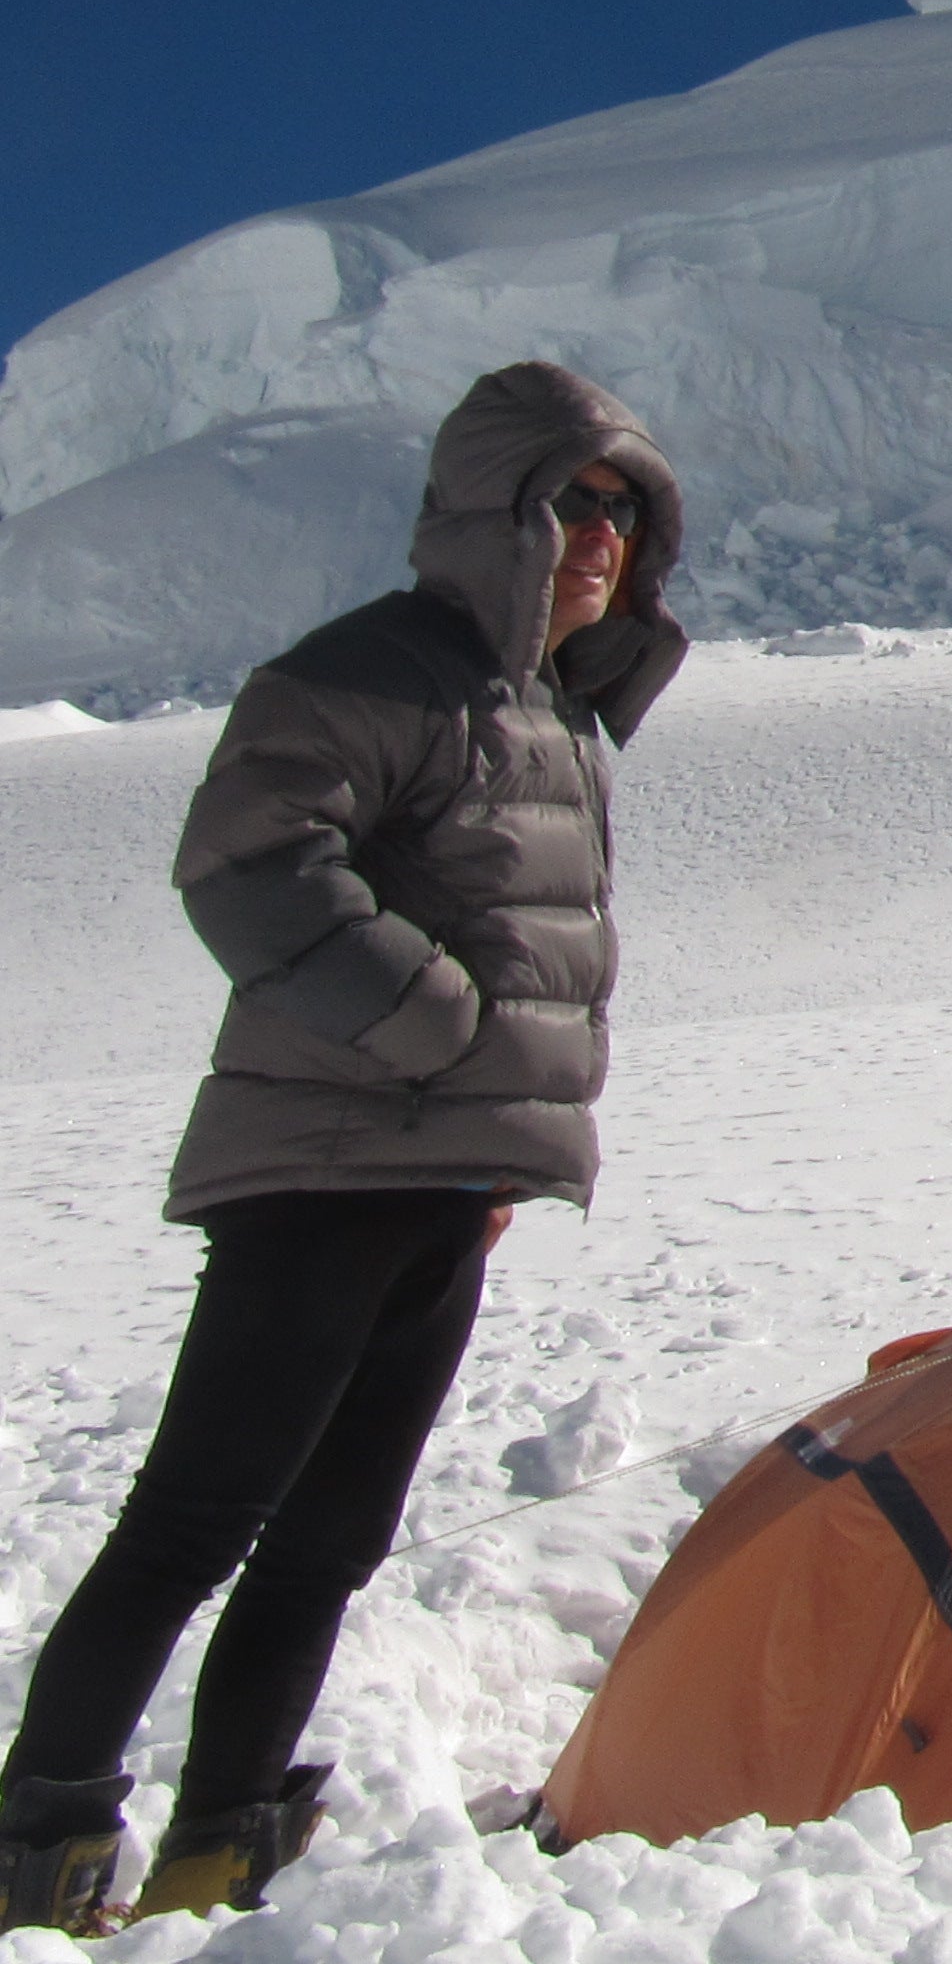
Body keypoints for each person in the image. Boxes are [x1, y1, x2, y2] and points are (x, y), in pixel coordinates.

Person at [0, 365, 686, 1933]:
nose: (598, 534)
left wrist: (490, 1150)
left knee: (330, 1542)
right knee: (196, 1519)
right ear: (489, 509)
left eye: (624, 508)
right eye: (571, 499)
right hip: (321, 1173)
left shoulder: (555, 714)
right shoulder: (376, 672)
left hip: (438, 1185)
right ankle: (41, 1839)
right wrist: (434, 1030)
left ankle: (221, 1843)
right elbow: (246, 860)